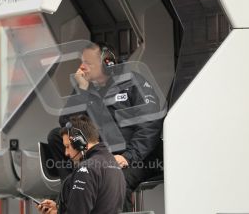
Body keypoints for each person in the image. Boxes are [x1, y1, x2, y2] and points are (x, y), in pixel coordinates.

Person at [47, 42, 164, 211]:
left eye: (88, 63)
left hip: (138, 158)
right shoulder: (86, 85)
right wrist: (83, 91)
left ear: (107, 64)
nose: (82, 67)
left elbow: (150, 125)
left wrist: (128, 157)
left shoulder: (133, 82)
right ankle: (73, 185)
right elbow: (67, 124)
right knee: (56, 136)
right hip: (102, 155)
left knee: (115, 180)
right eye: (82, 61)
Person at [37, 115, 126, 214]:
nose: (66, 153)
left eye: (67, 146)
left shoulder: (86, 169)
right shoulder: (113, 163)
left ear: (80, 142)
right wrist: (59, 210)